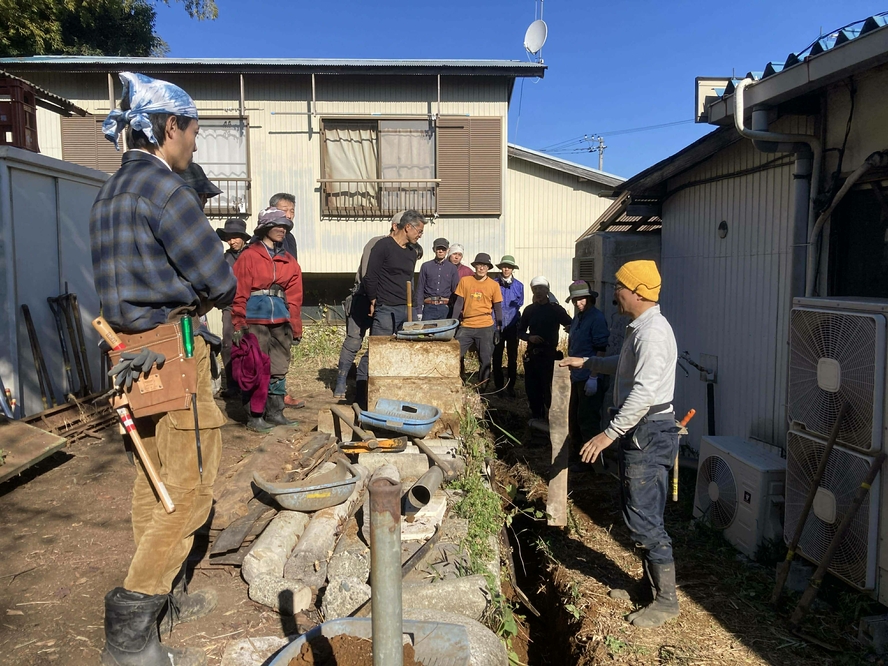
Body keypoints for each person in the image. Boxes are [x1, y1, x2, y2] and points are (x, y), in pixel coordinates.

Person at [92, 71, 236, 666]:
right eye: (194, 132)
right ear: (169, 126)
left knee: (151, 481)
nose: (195, 145)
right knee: (191, 487)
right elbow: (221, 283)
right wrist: (195, 288)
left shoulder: (107, 193)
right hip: (173, 351)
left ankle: (160, 600)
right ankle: (131, 632)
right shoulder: (168, 192)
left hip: (126, 356)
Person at [560, 260, 679, 629]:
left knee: (644, 518)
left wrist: (607, 434)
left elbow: (643, 392)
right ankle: (649, 587)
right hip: (642, 432)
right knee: (636, 510)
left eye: (620, 287)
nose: (616, 293)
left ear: (638, 293)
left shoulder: (652, 334)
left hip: (649, 432)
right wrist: (588, 363)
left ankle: (666, 601)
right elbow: (625, 366)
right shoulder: (639, 329)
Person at [231, 207, 304, 432]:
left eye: (285, 226)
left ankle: (276, 412)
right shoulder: (249, 256)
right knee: (256, 367)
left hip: (281, 320)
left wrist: (296, 325)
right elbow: (239, 291)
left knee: (279, 367)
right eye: (277, 225)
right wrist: (238, 322)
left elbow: (295, 296)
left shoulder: (289, 260)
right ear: (265, 228)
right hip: (254, 320)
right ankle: (255, 416)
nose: (282, 229)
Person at [332, 212, 402, 400]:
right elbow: (368, 275)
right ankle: (341, 382)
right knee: (354, 340)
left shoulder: (403, 249)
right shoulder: (377, 243)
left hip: (386, 302)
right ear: (395, 226)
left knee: (381, 342)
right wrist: (374, 299)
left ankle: (370, 382)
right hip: (364, 298)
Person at [566, 280, 611, 460]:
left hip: (590, 376)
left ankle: (593, 462)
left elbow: (601, 349)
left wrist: (593, 377)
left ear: (590, 298)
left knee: (588, 420)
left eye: (582, 299)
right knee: (575, 418)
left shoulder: (597, 318)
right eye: (575, 300)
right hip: (577, 375)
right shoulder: (578, 317)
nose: (578, 303)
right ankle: (577, 457)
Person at [516, 277, 571, 421]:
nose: (538, 291)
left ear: (547, 290)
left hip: (549, 356)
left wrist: (570, 328)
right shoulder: (529, 310)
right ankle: (536, 418)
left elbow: (571, 325)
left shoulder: (556, 309)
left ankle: (552, 420)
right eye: (535, 289)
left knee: (549, 390)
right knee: (532, 390)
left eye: (541, 288)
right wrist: (529, 337)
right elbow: (520, 331)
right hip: (533, 356)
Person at [452, 253, 503, 387]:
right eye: (479, 265)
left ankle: (482, 388)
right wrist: (453, 323)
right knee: (455, 354)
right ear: (475, 266)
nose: (481, 268)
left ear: (488, 268)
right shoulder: (465, 281)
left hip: (485, 326)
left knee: (485, 359)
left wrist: (498, 328)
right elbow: (458, 303)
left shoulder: (493, 285)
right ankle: (457, 383)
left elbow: (498, 308)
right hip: (466, 325)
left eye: (484, 266)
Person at [216, 218, 251, 398]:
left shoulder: (253, 255)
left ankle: (250, 383)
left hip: (250, 306)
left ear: (243, 237)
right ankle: (233, 385)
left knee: (251, 344)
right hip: (230, 307)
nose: (231, 241)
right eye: (228, 238)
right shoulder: (223, 259)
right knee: (228, 344)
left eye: (235, 237)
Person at [493, 255, 524, 397]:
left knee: (512, 358)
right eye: (504, 267)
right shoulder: (493, 284)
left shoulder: (519, 286)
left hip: (512, 326)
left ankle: (511, 386)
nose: (506, 269)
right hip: (497, 326)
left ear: (512, 269)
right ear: (501, 268)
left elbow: (519, 304)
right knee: (497, 357)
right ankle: (498, 387)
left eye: (509, 267)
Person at [416, 237, 459, 321]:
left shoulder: (452, 268)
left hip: (445, 308)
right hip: (428, 308)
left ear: (447, 250)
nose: (441, 251)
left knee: (444, 330)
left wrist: (455, 310)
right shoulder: (426, 266)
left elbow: (456, 290)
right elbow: (420, 289)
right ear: (434, 249)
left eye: (443, 249)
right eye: (438, 248)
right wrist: (419, 310)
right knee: (427, 329)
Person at [268, 192, 299, 260]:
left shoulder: (289, 237)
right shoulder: (263, 236)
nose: (289, 216)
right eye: (284, 210)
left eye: (292, 211)